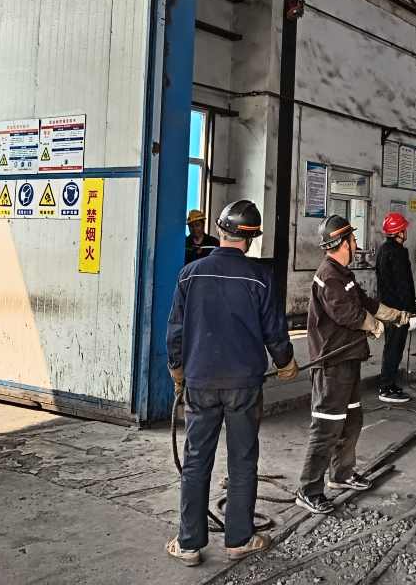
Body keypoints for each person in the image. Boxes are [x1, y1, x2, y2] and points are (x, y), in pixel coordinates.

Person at [165, 200, 299, 566]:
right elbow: (275, 330)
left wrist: (177, 369)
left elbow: (175, 330)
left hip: (200, 381)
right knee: (242, 459)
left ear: (220, 231)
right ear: (251, 238)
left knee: (196, 460)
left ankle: (189, 544)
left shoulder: (189, 274)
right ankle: (239, 539)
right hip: (244, 384)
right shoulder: (260, 278)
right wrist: (285, 363)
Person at [296, 214, 415, 514]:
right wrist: (374, 326)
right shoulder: (329, 276)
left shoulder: (344, 274)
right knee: (326, 427)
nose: (356, 243)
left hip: (348, 359)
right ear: (341, 243)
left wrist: (396, 315)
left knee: (351, 420)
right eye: (352, 239)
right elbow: (347, 314)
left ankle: (341, 474)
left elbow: (366, 302)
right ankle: (308, 490)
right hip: (332, 362)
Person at [374, 212, 416, 404]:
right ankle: (386, 388)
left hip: (387, 308)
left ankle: (389, 384)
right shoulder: (398, 253)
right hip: (399, 311)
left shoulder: (383, 250)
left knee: (391, 347)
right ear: (398, 232)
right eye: (404, 229)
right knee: (394, 348)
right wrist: (409, 311)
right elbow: (403, 284)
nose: (406, 232)